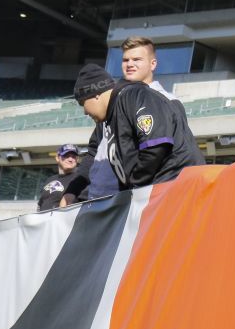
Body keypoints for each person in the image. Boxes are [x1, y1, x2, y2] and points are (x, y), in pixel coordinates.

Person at [73, 36, 183, 201]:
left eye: (137, 59)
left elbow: (159, 151)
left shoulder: (168, 100)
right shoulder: (111, 102)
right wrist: (74, 189)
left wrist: (134, 188)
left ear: (152, 64)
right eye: (126, 60)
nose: (130, 64)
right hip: (99, 197)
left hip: (134, 199)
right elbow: (94, 152)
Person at [73, 63, 205, 189]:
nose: (85, 111)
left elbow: (156, 143)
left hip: (176, 184)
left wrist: (136, 182)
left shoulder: (133, 95)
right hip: (161, 188)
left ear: (96, 95)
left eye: (82, 103)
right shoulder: (114, 114)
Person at [36, 143, 82, 212]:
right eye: (66, 156)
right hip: (44, 220)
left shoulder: (80, 179)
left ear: (77, 160)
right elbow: (40, 204)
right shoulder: (50, 179)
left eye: (73, 157)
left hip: (64, 220)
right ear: (57, 158)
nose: (70, 159)